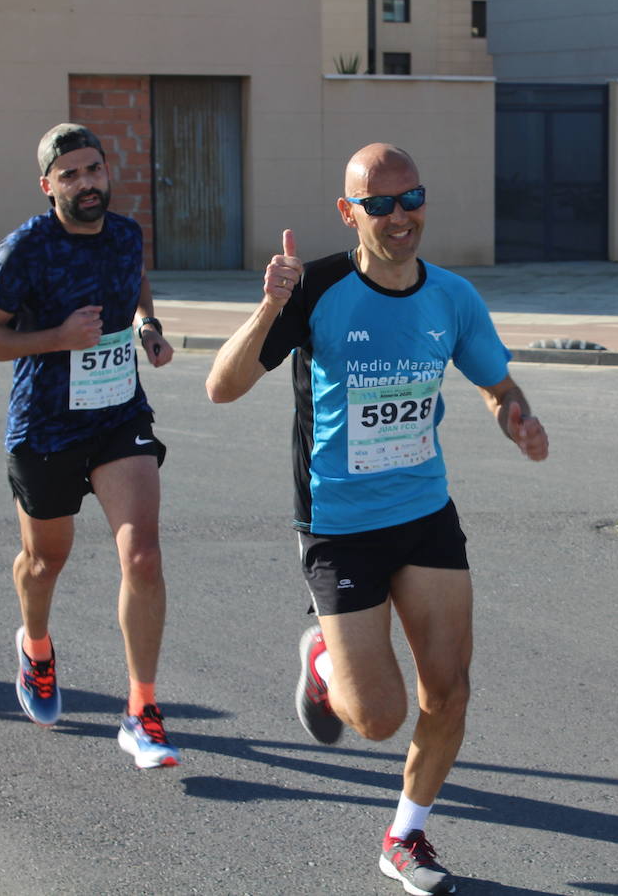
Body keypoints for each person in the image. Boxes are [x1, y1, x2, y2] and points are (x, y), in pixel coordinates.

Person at [206, 143, 548, 895]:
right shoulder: (318, 288)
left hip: (424, 511)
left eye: (412, 199)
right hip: (338, 523)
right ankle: (323, 662)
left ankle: (406, 836)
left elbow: (496, 382)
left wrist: (516, 416)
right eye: (381, 204)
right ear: (349, 211)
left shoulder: (452, 297)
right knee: (381, 717)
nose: (401, 217)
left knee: (449, 691)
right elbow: (220, 388)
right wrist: (271, 303)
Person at [0, 123, 181, 770]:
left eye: (94, 170)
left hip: (117, 418)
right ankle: (35, 647)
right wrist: (55, 337)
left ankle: (142, 710)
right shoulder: (25, 249)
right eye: (71, 175)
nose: (87, 183)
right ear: (48, 186)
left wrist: (149, 328)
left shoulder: (124, 232)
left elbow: (135, 283)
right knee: (43, 562)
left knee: (142, 556)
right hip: (46, 428)